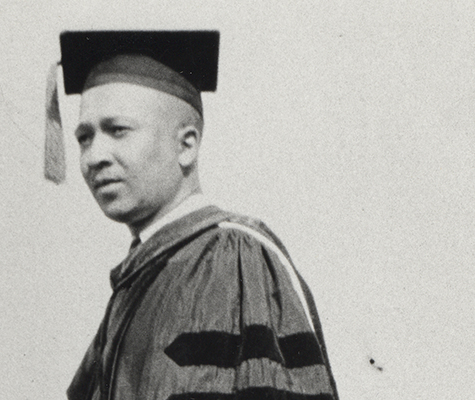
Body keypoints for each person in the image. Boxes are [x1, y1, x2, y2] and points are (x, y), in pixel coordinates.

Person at [46, 31, 339, 400]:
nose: (94, 156)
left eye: (117, 130)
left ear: (186, 145)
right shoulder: (139, 278)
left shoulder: (229, 258)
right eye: (84, 137)